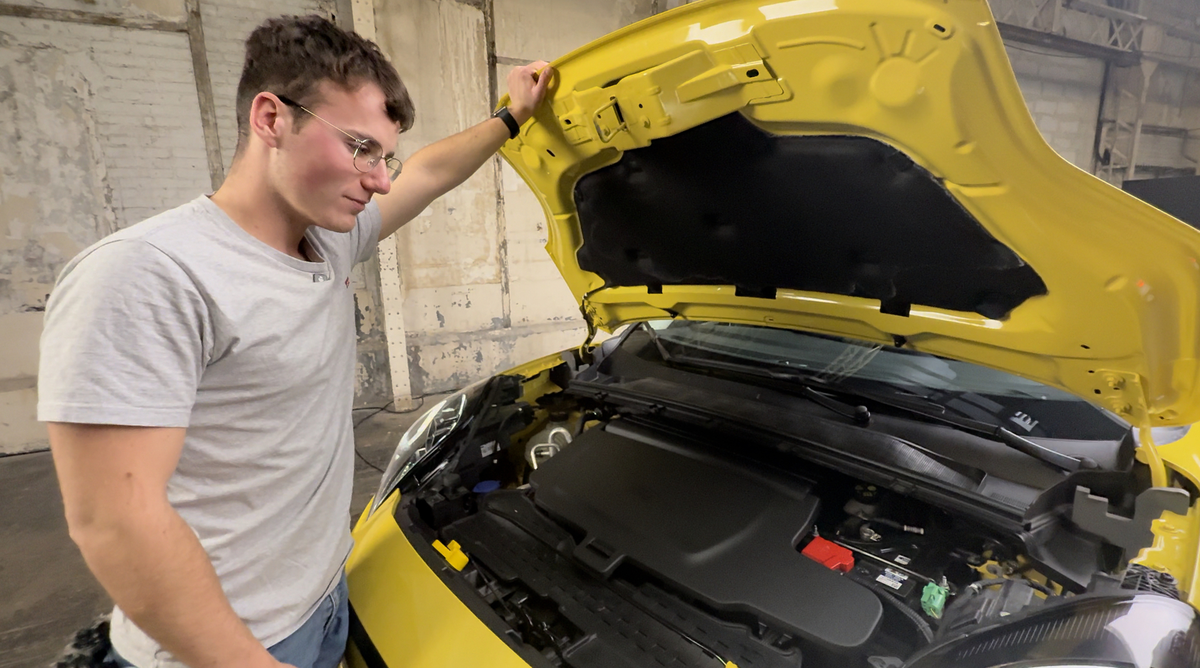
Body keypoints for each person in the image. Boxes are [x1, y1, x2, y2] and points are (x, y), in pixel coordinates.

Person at [37, 14, 551, 668]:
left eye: (383, 155)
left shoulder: (331, 239)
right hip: (227, 641)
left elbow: (427, 173)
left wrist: (513, 116)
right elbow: (115, 521)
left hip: (324, 597)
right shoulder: (146, 272)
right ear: (271, 119)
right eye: (360, 147)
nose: (381, 178)